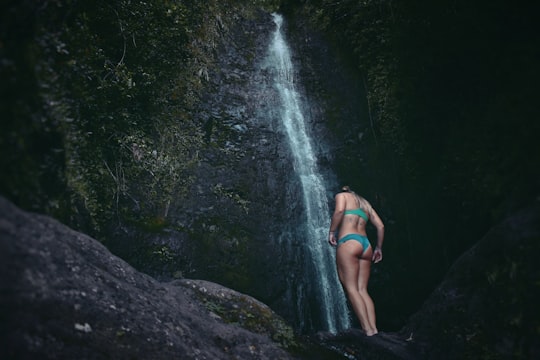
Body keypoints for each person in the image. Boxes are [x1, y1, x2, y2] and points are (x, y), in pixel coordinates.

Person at [328, 185, 385, 336]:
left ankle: (367, 330)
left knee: (351, 288)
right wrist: (379, 248)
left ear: (346, 188)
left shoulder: (342, 196)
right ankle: (374, 330)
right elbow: (380, 226)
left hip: (349, 241)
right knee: (362, 290)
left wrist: (332, 231)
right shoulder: (365, 204)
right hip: (366, 245)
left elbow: (339, 211)